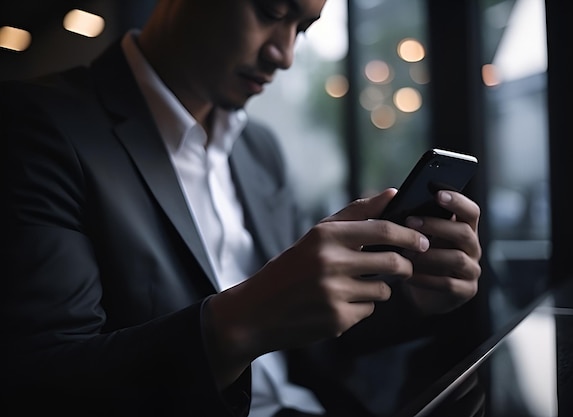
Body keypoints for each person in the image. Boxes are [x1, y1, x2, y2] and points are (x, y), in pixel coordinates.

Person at [0, 0, 482, 416]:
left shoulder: (258, 150)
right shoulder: (40, 125)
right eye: (272, 11)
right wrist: (240, 322)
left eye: (303, 29)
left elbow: (307, 341)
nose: (286, 54)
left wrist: (414, 295)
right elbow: (45, 384)